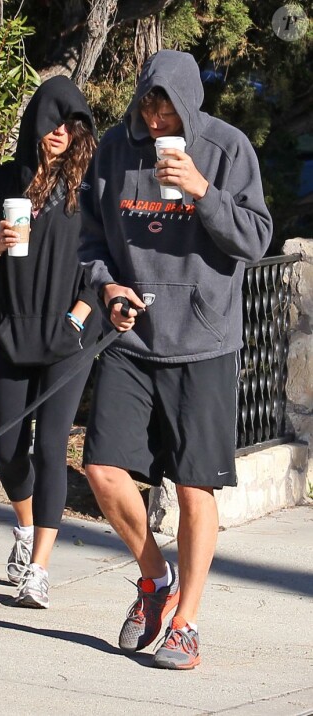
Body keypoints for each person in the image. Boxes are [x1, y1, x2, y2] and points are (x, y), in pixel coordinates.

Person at [78, 50, 273, 668]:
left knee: (194, 489)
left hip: (203, 341)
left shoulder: (228, 148)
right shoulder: (115, 149)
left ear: (188, 103)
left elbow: (255, 237)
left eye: (167, 107)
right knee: (102, 471)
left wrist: (202, 191)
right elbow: (90, 240)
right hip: (133, 339)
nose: (157, 118)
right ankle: (155, 578)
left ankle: (186, 623)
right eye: (148, 104)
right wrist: (108, 287)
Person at [0, 76, 99, 608]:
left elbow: (102, 260)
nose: (61, 131)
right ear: (36, 123)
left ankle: (38, 569)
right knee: (8, 449)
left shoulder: (86, 189)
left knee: (50, 449)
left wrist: (79, 318)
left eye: (72, 123)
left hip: (70, 335)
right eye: (53, 121)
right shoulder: (2, 183)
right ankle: (24, 528)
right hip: (13, 331)